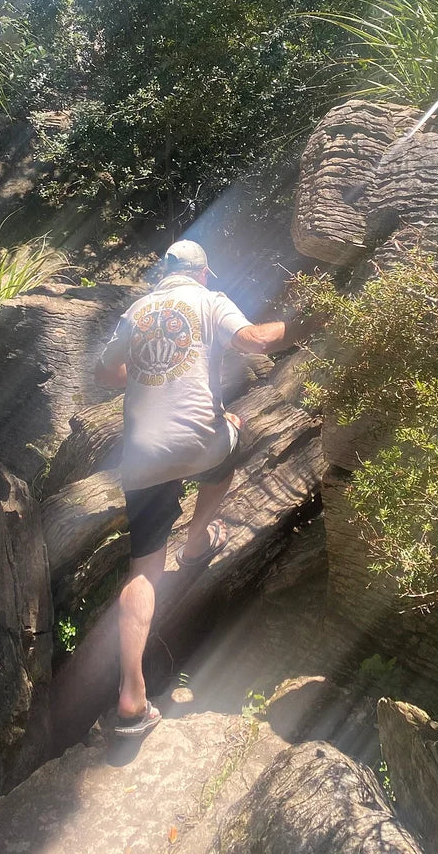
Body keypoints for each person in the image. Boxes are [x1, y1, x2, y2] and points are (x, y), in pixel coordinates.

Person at [94, 239, 297, 737]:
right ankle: (198, 539)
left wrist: (148, 374)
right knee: (230, 436)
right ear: (204, 275)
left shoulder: (138, 310)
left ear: (163, 275)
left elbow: (105, 373)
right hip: (201, 445)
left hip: (141, 459)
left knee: (143, 571)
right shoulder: (210, 300)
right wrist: (298, 322)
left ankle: (131, 695)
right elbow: (255, 341)